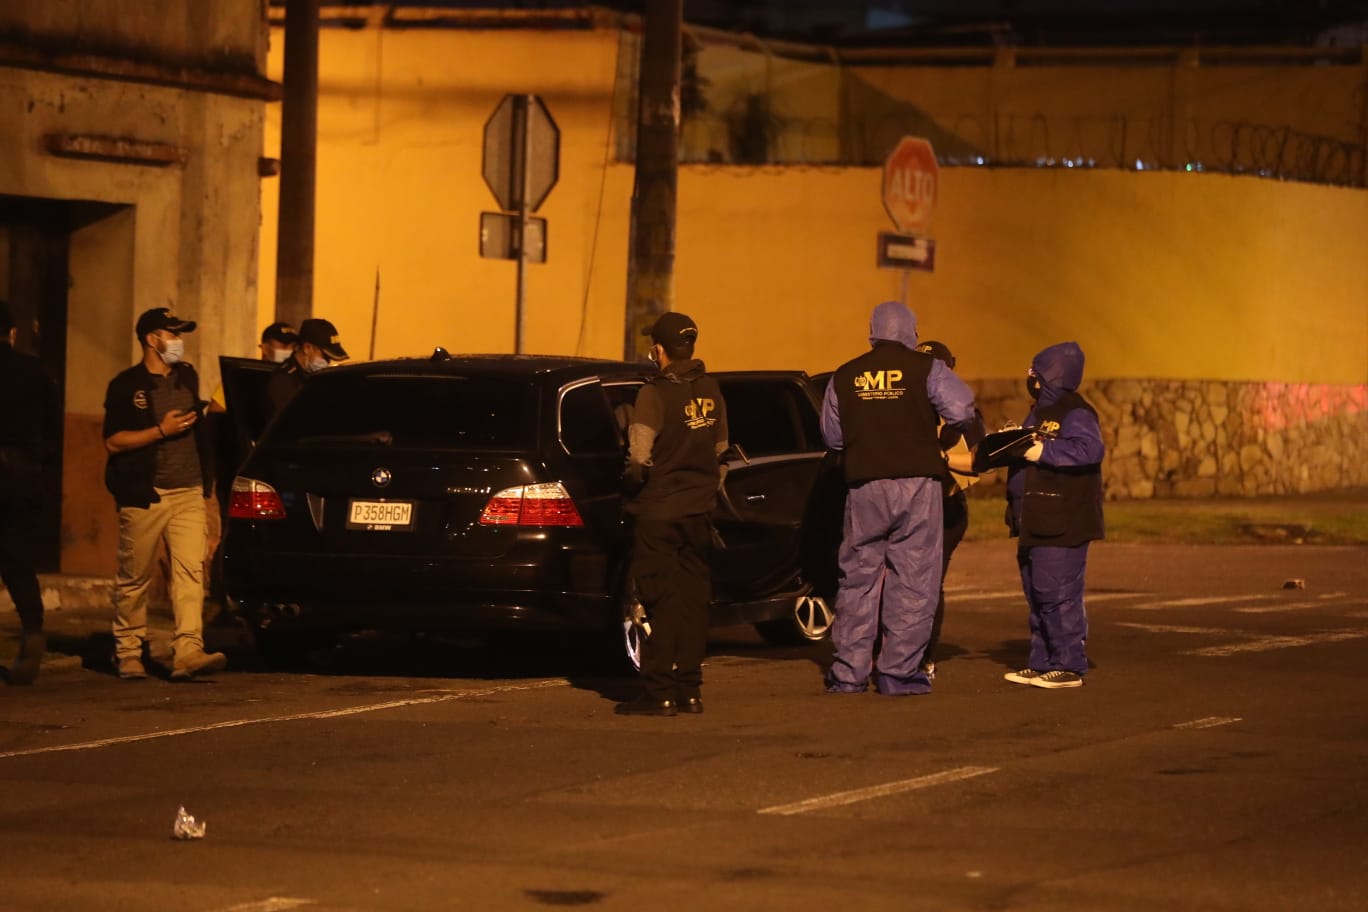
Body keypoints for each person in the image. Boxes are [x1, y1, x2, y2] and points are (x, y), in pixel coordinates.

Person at [820, 301, 977, 696]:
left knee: (858, 579)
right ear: (912, 331)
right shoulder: (928, 370)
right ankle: (898, 673)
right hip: (916, 485)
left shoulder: (845, 375)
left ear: (873, 330)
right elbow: (962, 409)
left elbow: (832, 437)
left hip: (864, 488)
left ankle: (848, 673)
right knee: (914, 579)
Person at [103, 307, 228, 680]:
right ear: (151, 340)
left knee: (190, 572)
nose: (178, 341)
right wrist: (161, 431)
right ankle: (127, 651)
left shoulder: (187, 377)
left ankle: (188, 649)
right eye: (171, 334)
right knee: (135, 576)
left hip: (190, 492)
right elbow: (113, 441)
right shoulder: (126, 385)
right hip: (147, 494)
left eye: (180, 334)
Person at [617, 312, 729, 716]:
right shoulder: (711, 389)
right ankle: (690, 690)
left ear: (659, 349)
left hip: (660, 512)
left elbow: (638, 458)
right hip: (699, 512)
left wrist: (631, 487)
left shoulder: (654, 394)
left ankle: (659, 691)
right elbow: (721, 452)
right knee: (692, 601)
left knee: (657, 599)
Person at [1002, 341, 1105, 689]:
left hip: (1062, 519)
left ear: (1053, 374)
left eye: (1036, 371)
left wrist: (1040, 450)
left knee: (1057, 593)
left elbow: (1089, 449)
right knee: (1037, 593)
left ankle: (1068, 664)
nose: (1029, 376)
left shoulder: (1075, 412)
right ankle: (1042, 659)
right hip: (1035, 519)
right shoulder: (1039, 411)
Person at [913, 339, 985, 680]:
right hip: (908, 507)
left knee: (927, 584)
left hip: (944, 507)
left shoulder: (962, 412)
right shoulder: (904, 406)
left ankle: (924, 656)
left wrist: (940, 457)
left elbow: (977, 462)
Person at [0, 301, 58, 684]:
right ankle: (33, 630)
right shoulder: (35, 372)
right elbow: (52, 431)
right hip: (20, 477)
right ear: (13, 333)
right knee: (17, 561)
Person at [264, 317, 348, 420]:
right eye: (325, 356)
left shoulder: (317, 377)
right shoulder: (283, 381)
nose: (327, 362)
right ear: (307, 348)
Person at [208, 321, 298, 414]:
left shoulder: (296, 379)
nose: (290, 351)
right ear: (265, 349)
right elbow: (215, 414)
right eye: (284, 346)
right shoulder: (240, 378)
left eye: (294, 347)